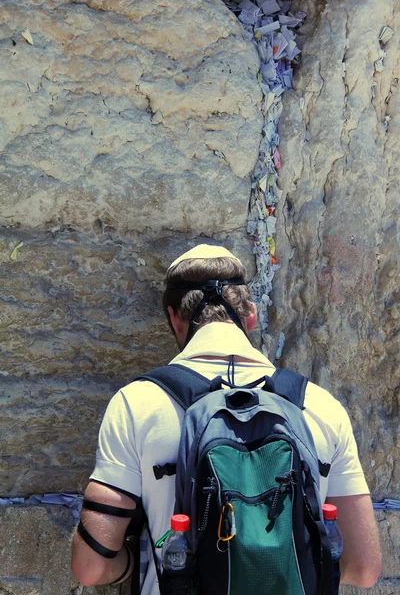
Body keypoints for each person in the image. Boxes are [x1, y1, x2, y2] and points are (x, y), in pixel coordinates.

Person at [71, 244, 381, 593]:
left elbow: (91, 567)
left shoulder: (137, 404)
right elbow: (363, 567)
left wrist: (136, 562)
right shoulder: (320, 407)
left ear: (175, 318)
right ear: (250, 314)